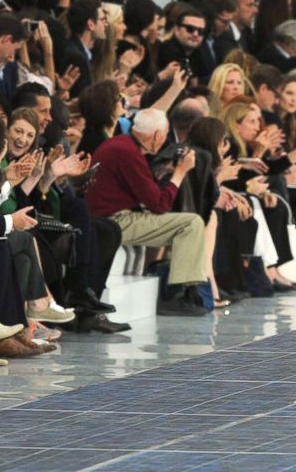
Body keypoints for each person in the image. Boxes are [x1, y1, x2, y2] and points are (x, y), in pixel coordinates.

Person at [86, 108, 208, 316]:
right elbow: (159, 204)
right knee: (191, 223)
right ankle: (176, 293)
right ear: (158, 135)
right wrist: (179, 173)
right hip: (113, 222)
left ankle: (181, 287)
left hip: (108, 218)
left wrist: (161, 173)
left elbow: (142, 191)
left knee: (186, 223)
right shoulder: (128, 152)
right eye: (165, 134)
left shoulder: (122, 145)